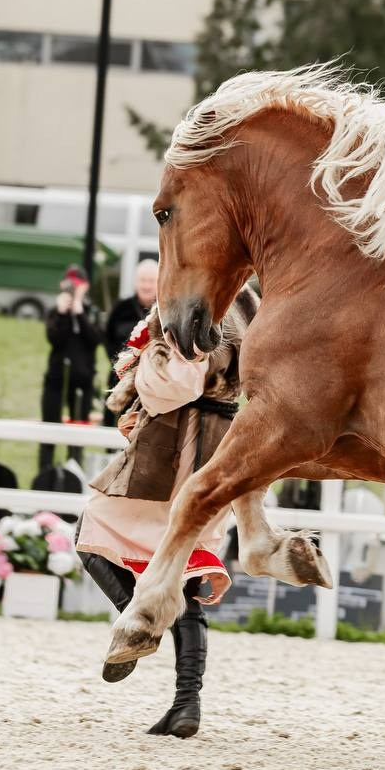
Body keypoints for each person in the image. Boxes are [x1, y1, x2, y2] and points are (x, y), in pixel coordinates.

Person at [76, 290, 255, 739]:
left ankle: (137, 625)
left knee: (94, 530)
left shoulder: (198, 305)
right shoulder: (251, 305)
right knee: (186, 574)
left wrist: (143, 372)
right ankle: (186, 701)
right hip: (219, 446)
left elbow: (179, 385)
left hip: (179, 446)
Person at [38, 265, 102, 470]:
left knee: (77, 433)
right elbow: (54, 338)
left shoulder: (91, 311)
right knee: (49, 428)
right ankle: (46, 472)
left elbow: (95, 339)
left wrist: (79, 313)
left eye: (78, 285)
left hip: (81, 381)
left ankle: (73, 471)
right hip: (57, 378)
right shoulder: (56, 311)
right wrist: (62, 313)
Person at [101, 259, 158, 427]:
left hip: (152, 381)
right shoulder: (121, 309)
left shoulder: (165, 309)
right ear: (135, 282)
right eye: (142, 280)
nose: (146, 285)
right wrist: (123, 362)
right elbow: (108, 338)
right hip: (120, 377)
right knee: (113, 424)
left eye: (151, 281)